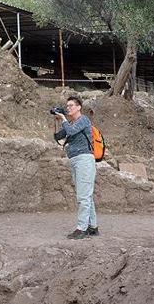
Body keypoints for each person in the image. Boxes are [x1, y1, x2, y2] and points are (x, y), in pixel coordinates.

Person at [54, 96, 99, 239]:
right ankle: (93, 226)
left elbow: (72, 132)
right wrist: (59, 121)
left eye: (71, 105)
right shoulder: (71, 123)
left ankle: (82, 229)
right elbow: (59, 137)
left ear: (79, 107)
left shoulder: (83, 120)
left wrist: (64, 119)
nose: (68, 108)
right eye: (67, 106)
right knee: (86, 195)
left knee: (83, 196)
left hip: (84, 159)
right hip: (75, 160)